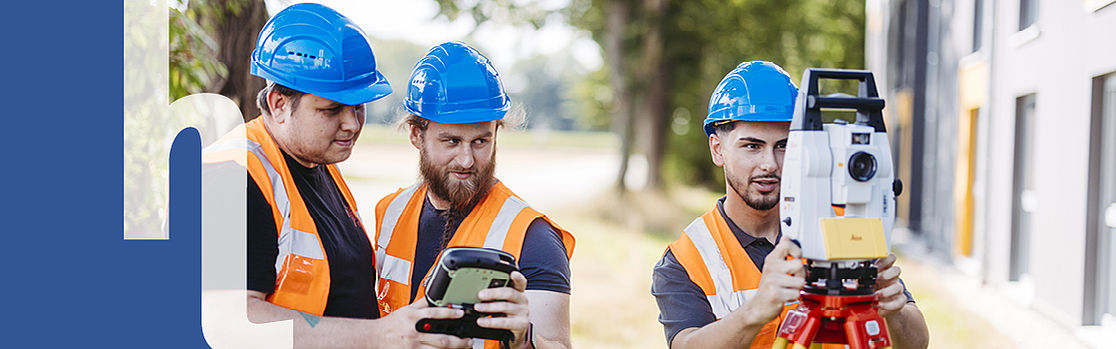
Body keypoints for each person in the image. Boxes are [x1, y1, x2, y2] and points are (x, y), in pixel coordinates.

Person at [202, 4, 472, 348]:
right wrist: (379, 335)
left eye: (358, 107)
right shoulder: (230, 178)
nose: (351, 124)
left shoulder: (319, 163)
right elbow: (228, 322)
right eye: (331, 110)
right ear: (279, 103)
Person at [650, 61, 929, 349]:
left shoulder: (845, 225)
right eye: (752, 146)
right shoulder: (687, 259)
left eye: (784, 146)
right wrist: (755, 310)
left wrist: (894, 312)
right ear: (717, 149)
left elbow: (917, 343)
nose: (769, 164)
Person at [373, 41, 576, 349]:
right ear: (417, 135)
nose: (467, 160)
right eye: (451, 141)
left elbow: (559, 344)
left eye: (481, 141)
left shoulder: (532, 235)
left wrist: (525, 342)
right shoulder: (389, 212)